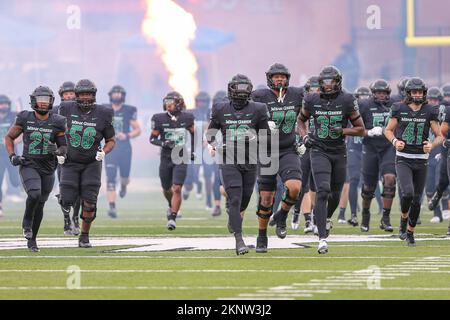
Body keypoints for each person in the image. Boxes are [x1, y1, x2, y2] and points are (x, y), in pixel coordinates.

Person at [298, 65, 365, 254]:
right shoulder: (311, 99)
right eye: (325, 82)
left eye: (332, 81)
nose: (328, 85)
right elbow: (301, 120)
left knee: (335, 194)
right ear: (320, 83)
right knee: (322, 191)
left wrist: (343, 130)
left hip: (339, 150)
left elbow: (360, 128)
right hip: (319, 150)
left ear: (338, 82)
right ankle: (322, 238)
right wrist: (305, 137)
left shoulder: (347, 99)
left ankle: (324, 218)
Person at [206, 74, 270, 255]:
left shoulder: (258, 109)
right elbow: (211, 134)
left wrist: (255, 138)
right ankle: (239, 239)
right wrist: (217, 145)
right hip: (229, 158)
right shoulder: (220, 108)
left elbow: (266, 136)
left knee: (244, 199)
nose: (242, 92)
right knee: (234, 198)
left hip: (250, 159)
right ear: (231, 89)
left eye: (245, 88)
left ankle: (234, 220)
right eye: (238, 87)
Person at [5, 86, 67, 252]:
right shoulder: (25, 117)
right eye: (40, 99)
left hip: (48, 168)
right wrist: (12, 156)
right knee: (34, 193)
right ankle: (26, 223)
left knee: (40, 204)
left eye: (46, 100)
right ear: (33, 100)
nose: (42, 103)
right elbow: (9, 137)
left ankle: (32, 240)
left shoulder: (58, 121)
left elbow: (64, 147)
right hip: (29, 164)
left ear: (51, 101)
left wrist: (57, 150)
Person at [252, 63, 305, 253]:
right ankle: (261, 236)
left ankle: (282, 214)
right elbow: (245, 114)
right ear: (269, 78)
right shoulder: (259, 96)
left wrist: (303, 136)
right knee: (266, 198)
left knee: (294, 187)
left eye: (282, 76)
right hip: (266, 150)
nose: (280, 79)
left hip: (287, 149)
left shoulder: (297, 94)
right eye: (276, 76)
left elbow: (308, 112)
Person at [384, 77, 443, 246]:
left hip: (421, 159)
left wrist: (431, 145)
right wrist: (395, 141)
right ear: (408, 93)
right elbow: (388, 130)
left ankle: (410, 232)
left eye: (420, 92)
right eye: (414, 92)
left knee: (417, 199)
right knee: (407, 193)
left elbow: (439, 135)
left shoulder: (429, 110)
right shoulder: (399, 108)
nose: (417, 95)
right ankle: (403, 218)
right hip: (404, 158)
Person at [58, 79, 116, 248]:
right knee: (67, 198)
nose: (85, 98)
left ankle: (84, 235)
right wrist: (59, 149)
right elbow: (56, 131)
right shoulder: (66, 108)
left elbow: (111, 139)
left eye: (88, 94)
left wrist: (103, 151)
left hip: (92, 163)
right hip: (70, 161)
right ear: (76, 95)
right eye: (82, 94)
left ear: (94, 95)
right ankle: (66, 204)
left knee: (89, 202)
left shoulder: (104, 113)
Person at [150, 91, 195, 231]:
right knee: (166, 188)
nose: (168, 105)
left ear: (179, 104)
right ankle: (171, 205)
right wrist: (164, 143)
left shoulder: (187, 117)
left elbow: (194, 134)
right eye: (167, 102)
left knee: (177, 187)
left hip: (181, 155)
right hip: (165, 157)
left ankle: (172, 218)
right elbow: (152, 139)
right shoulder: (159, 118)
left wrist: (193, 151)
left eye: (172, 102)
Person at [359, 79, 396, 232]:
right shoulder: (365, 105)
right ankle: (365, 214)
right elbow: (355, 127)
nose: (381, 96)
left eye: (384, 93)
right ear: (373, 94)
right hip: (370, 147)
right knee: (368, 187)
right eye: (378, 93)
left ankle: (385, 217)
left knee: (390, 178)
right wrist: (368, 132)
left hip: (388, 147)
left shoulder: (395, 105)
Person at [104, 85, 141, 218]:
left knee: (124, 177)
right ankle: (112, 206)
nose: (116, 96)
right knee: (110, 178)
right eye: (114, 93)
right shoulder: (104, 109)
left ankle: (124, 186)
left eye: (119, 94)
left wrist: (128, 135)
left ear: (123, 95)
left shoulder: (129, 110)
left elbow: (137, 129)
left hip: (125, 148)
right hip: (110, 147)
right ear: (110, 95)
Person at [292, 76, 320, 233]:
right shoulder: (300, 105)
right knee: (302, 184)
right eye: (312, 89)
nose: (315, 92)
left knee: (317, 185)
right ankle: (299, 214)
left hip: (319, 147)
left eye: (318, 89)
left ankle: (313, 218)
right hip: (303, 146)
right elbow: (294, 125)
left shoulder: (325, 104)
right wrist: (304, 134)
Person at [54, 81, 80, 236]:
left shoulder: (83, 110)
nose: (69, 95)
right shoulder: (55, 111)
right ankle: (66, 219)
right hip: (62, 154)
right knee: (64, 190)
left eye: (71, 93)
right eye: (66, 93)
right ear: (61, 95)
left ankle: (75, 218)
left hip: (78, 154)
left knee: (79, 190)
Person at [425, 87, 446, 223]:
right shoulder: (422, 112)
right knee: (429, 186)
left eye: (435, 99)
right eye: (430, 99)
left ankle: (445, 209)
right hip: (426, 152)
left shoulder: (445, 113)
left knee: (442, 182)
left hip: (440, 152)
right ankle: (436, 213)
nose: (433, 102)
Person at [0, 95, 21, 218]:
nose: (4, 106)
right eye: (1, 104)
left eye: (5, 104)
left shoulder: (14, 116)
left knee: (15, 181)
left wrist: (15, 141)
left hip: (11, 154)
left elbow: (21, 132)